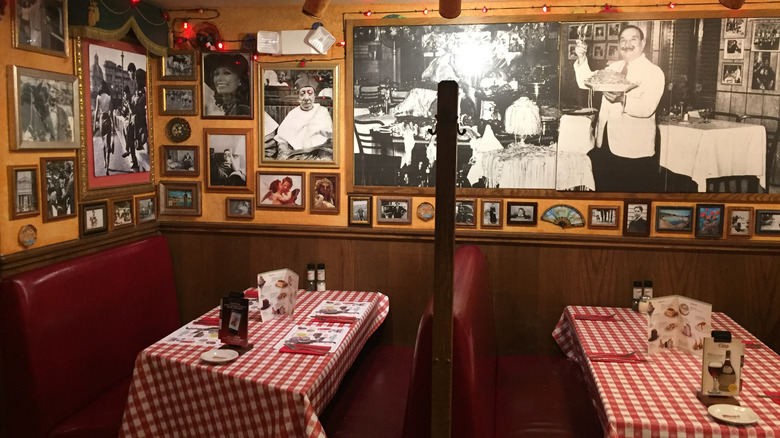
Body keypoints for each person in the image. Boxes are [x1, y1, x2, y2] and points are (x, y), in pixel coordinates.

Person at [574, 25, 665, 192]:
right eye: (623, 40)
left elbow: (647, 108)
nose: (627, 44)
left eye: (633, 39)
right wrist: (581, 59)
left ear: (643, 43)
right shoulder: (613, 68)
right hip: (605, 145)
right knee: (605, 196)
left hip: (634, 151)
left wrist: (622, 98)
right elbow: (586, 82)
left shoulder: (654, 72)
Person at [274, 77, 333, 160]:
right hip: (296, 154)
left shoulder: (322, 112)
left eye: (310, 93)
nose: (306, 98)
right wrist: (285, 151)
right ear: (298, 97)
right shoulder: (293, 113)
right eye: (302, 94)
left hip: (318, 153)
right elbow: (281, 138)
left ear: (314, 96)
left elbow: (330, 136)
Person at [92, 81, 114, 175]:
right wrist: (113, 124)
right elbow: (111, 112)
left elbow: (96, 110)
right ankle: (107, 167)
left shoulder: (98, 97)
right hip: (108, 119)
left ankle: (105, 161)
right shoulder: (109, 97)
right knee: (108, 143)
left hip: (101, 119)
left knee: (103, 142)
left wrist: (94, 124)